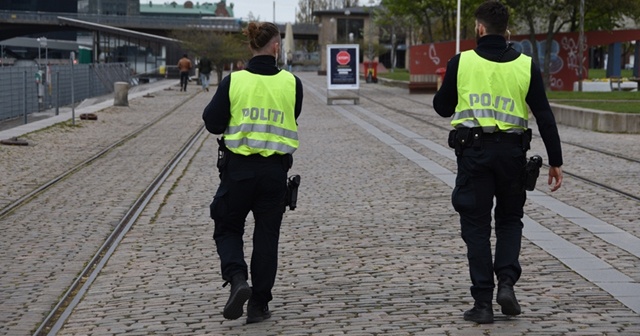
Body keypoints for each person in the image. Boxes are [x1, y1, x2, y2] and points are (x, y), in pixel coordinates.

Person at [433, 0, 563, 324]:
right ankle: (506, 282)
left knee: (476, 227)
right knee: (510, 220)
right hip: (512, 156)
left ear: (479, 28)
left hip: (474, 155)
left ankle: (482, 303)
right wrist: (556, 161)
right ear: (507, 31)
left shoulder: (460, 62)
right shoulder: (525, 65)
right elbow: (545, 116)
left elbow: (442, 107)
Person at [202, 21, 303, 324]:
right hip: (274, 174)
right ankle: (258, 305)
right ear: (276, 48)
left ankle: (237, 279)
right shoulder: (291, 82)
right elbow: (292, 114)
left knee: (227, 226)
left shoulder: (234, 82)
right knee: (266, 237)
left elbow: (212, 122)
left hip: (239, 171)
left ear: (250, 47)